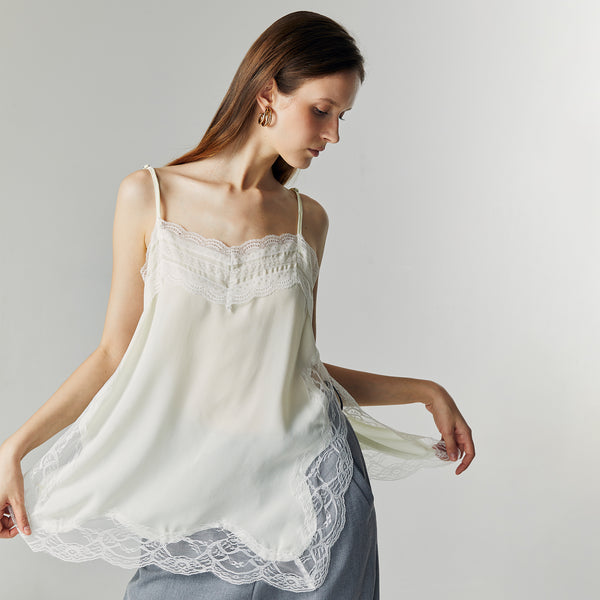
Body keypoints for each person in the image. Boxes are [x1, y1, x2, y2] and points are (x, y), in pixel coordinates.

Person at [0, 10, 475, 599]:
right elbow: (113, 354)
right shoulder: (151, 196)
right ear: (268, 93)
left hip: (312, 496)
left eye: (341, 117)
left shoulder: (307, 221)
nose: (332, 134)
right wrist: (15, 447)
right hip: (196, 494)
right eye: (321, 110)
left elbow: (298, 369)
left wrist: (427, 391)